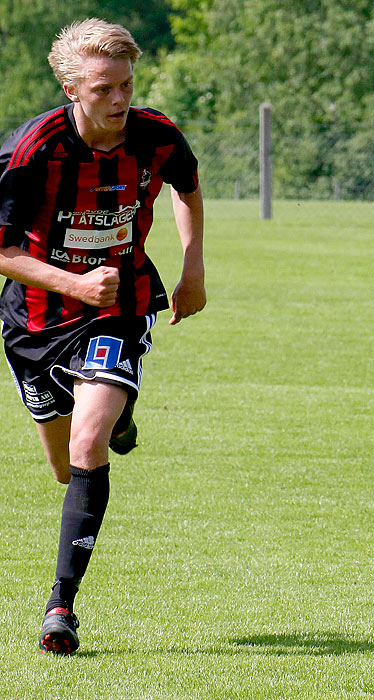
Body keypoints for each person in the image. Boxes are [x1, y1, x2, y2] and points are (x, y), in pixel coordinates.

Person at [0, 18, 206, 654]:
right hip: (34, 320)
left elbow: (188, 189)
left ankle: (61, 605)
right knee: (67, 468)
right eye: (103, 89)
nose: (119, 100)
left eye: (126, 85)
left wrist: (192, 267)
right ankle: (118, 416)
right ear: (70, 87)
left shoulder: (154, 134)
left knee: (89, 441)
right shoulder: (30, 150)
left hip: (120, 305)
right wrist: (72, 283)